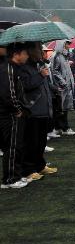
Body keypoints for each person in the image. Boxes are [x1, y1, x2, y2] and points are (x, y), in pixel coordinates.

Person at [19, 42, 56, 182]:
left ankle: (40, 165)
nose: (42, 51)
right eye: (39, 49)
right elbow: (25, 86)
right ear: (30, 51)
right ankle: (28, 170)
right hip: (32, 111)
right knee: (31, 142)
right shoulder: (24, 67)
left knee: (41, 142)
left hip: (43, 110)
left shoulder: (38, 65)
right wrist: (40, 75)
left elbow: (43, 85)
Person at [0, 43, 30, 189]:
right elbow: (8, 94)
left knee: (15, 146)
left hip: (12, 113)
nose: (27, 56)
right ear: (16, 54)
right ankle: (10, 179)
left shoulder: (14, 68)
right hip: (9, 115)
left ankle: (14, 175)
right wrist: (17, 110)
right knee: (12, 147)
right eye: (25, 53)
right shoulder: (8, 69)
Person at [50, 40, 75, 137]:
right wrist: (63, 82)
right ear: (62, 44)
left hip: (66, 87)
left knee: (65, 108)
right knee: (60, 108)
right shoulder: (57, 56)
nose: (69, 45)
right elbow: (54, 71)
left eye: (69, 44)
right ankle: (62, 127)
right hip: (61, 87)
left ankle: (61, 127)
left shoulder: (65, 56)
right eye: (67, 43)